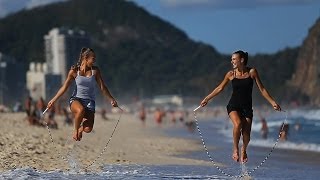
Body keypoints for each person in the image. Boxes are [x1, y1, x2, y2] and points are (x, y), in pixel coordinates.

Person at [200, 50, 281, 163]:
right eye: (232, 59)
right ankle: (235, 149)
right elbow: (220, 88)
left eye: (234, 59)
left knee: (246, 135)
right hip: (233, 105)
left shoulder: (252, 72)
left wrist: (272, 102)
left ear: (241, 60)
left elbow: (262, 89)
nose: (231, 61)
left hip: (247, 107)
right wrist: (207, 99)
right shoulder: (231, 74)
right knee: (237, 124)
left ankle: (244, 149)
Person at [47, 47, 118, 141]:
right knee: (81, 110)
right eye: (93, 58)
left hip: (90, 101)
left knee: (88, 129)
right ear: (86, 58)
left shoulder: (95, 71)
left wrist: (111, 99)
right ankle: (76, 131)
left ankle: (80, 129)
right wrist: (53, 100)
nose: (94, 60)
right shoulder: (74, 71)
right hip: (76, 99)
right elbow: (64, 88)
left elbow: (102, 87)